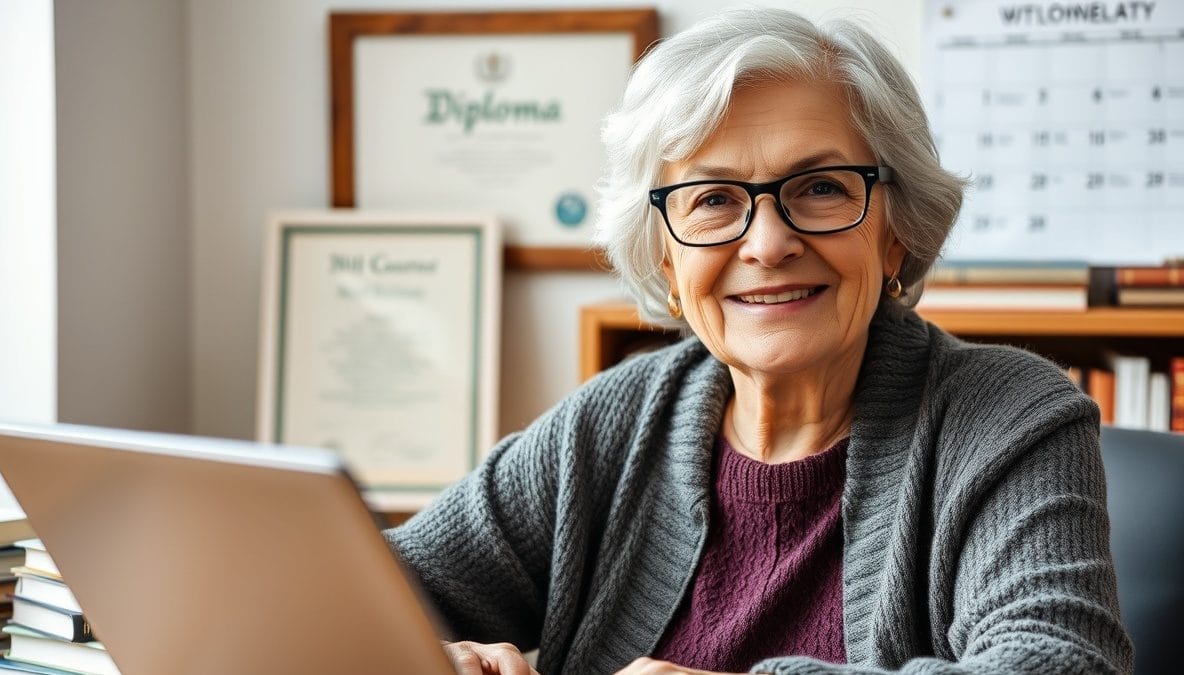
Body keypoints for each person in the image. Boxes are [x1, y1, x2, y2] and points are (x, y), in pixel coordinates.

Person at [388, 8, 1134, 675]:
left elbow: (1062, 662)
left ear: (896, 234)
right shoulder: (610, 426)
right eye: (713, 199)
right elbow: (363, 589)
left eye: (821, 187)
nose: (768, 242)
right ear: (667, 259)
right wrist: (430, 651)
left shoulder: (1007, 416)